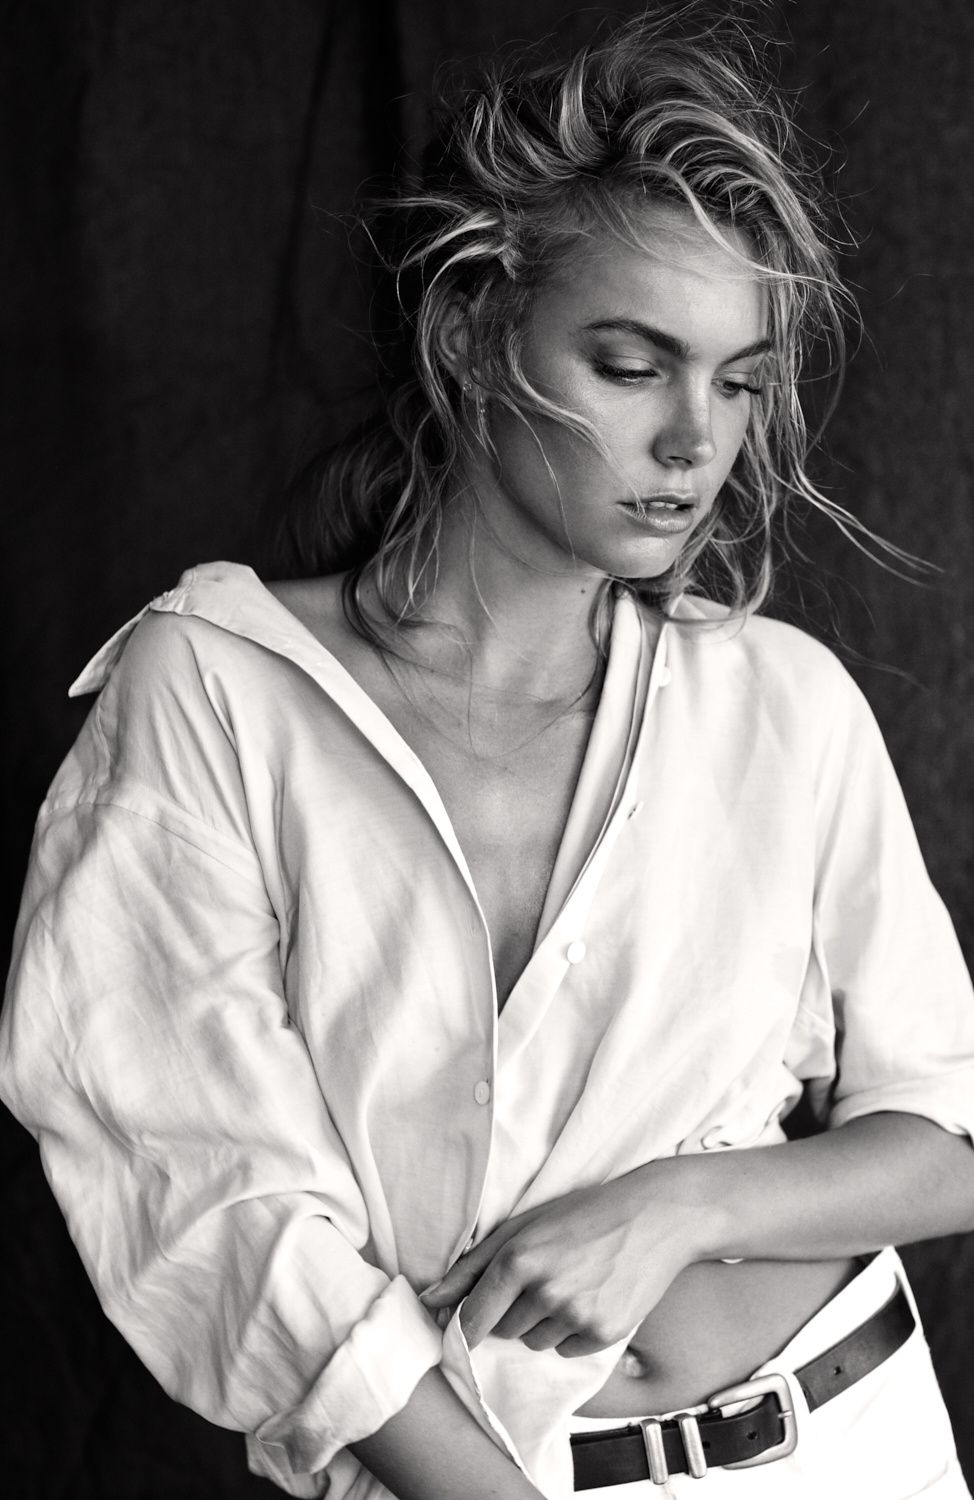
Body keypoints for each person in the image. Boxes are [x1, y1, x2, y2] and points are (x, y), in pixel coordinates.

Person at [2, 7, 974, 1499]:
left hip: (850, 1439)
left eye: (736, 380)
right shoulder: (216, 691)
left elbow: (947, 1134)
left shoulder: (783, 701)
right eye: (631, 364)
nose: (693, 440)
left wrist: (681, 1205)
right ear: (470, 331)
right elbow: (218, 1202)